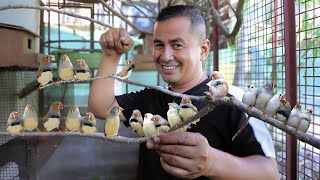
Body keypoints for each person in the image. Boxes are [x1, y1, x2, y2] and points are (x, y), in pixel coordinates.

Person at [88, 5, 279, 180]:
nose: (165, 56)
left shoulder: (233, 101)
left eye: (177, 45)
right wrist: (111, 56)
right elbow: (101, 107)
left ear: (203, 50)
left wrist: (212, 163)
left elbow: (269, 173)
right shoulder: (152, 96)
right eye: (159, 44)